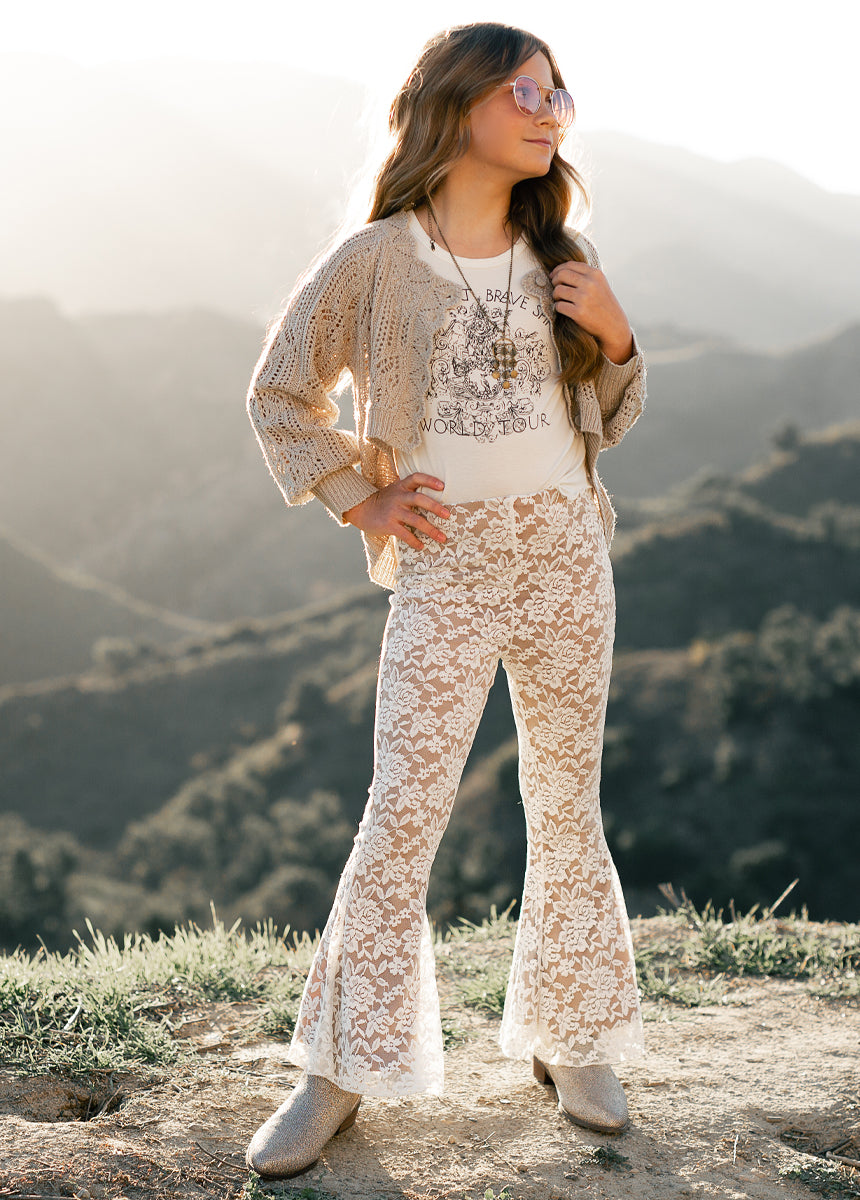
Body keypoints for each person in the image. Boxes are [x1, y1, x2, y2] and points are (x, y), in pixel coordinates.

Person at [243, 21, 647, 1180]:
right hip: (448, 563)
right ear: (454, 103)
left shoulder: (560, 254)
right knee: (402, 807)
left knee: (565, 801)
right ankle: (336, 1070)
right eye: (524, 90)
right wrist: (356, 499)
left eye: (556, 92)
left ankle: (573, 1040)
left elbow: (610, 414)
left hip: (566, 552)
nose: (549, 110)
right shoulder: (375, 259)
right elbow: (280, 392)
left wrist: (614, 332)